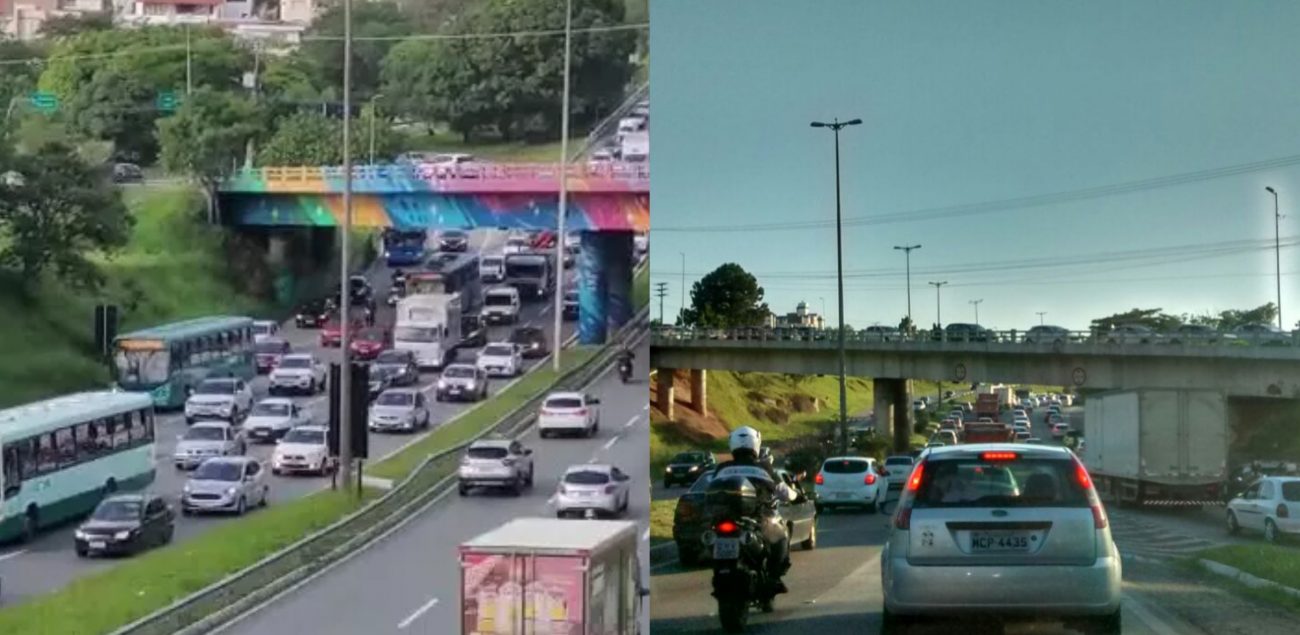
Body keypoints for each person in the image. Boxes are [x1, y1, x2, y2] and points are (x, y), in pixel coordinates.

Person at [709, 426, 797, 594]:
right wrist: (795, 495)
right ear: (756, 444)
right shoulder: (765, 468)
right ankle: (774, 577)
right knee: (781, 536)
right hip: (758, 518)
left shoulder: (722, 469)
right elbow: (784, 492)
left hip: (724, 519)